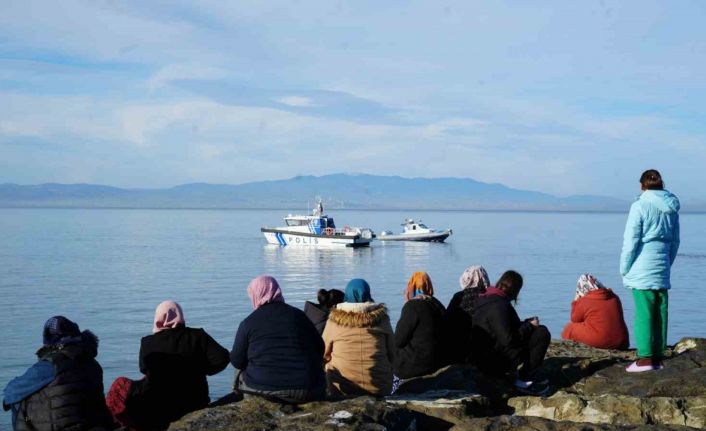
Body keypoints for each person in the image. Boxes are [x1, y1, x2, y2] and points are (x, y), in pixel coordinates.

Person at [108, 300, 230, 430]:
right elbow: (222, 358)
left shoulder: (148, 342)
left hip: (159, 406)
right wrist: (202, 370)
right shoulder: (198, 335)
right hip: (195, 402)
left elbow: (144, 369)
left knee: (120, 384)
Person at [2, 316, 113, 431]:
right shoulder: (93, 363)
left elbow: (11, 391)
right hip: (95, 424)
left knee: (19, 399)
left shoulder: (51, 365)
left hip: (61, 426)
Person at [230, 275, 326, 403]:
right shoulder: (299, 316)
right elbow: (320, 348)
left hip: (262, 391)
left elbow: (237, 361)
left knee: (239, 368)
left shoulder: (248, 323)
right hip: (305, 390)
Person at [620, 169, 680, 372]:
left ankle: (645, 358)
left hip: (642, 265)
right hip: (662, 264)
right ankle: (658, 354)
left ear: (642, 186)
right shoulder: (671, 208)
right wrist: (667, 263)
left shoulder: (640, 206)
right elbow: (675, 241)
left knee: (644, 312)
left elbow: (631, 242)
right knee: (661, 311)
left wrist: (624, 267)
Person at [472, 270, 551, 394]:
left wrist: (526, 324)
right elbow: (508, 339)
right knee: (542, 333)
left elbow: (503, 328)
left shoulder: (485, 298)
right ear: (515, 291)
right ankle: (525, 378)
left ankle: (521, 376)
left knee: (537, 330)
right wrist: (529, 326)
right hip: (494, 359)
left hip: (481, 355)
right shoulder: (499, 305)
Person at [322, 279, 395, 398]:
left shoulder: (334, 320)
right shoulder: (382, 319)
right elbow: (393, 353)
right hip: (379, 386)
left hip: (342, 388)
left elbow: (323, 352)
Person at [393, 272, 448, 379]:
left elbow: (398, 341)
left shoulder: (412, 306)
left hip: (416, 366)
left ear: (411, 287)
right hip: (438, 361)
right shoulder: (437, 305)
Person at [561, 274, 630, 350]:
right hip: (622, 342)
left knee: (570, 328)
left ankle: (570, 347)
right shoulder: (614, 297)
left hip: (602, 341)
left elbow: (574, 319)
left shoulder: (585, 300)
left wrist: (575, 301)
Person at [446, 265, 490, 363]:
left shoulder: (458, 297)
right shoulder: (489, 297)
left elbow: (447, 319)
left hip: (458, 345)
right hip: (483, 345)